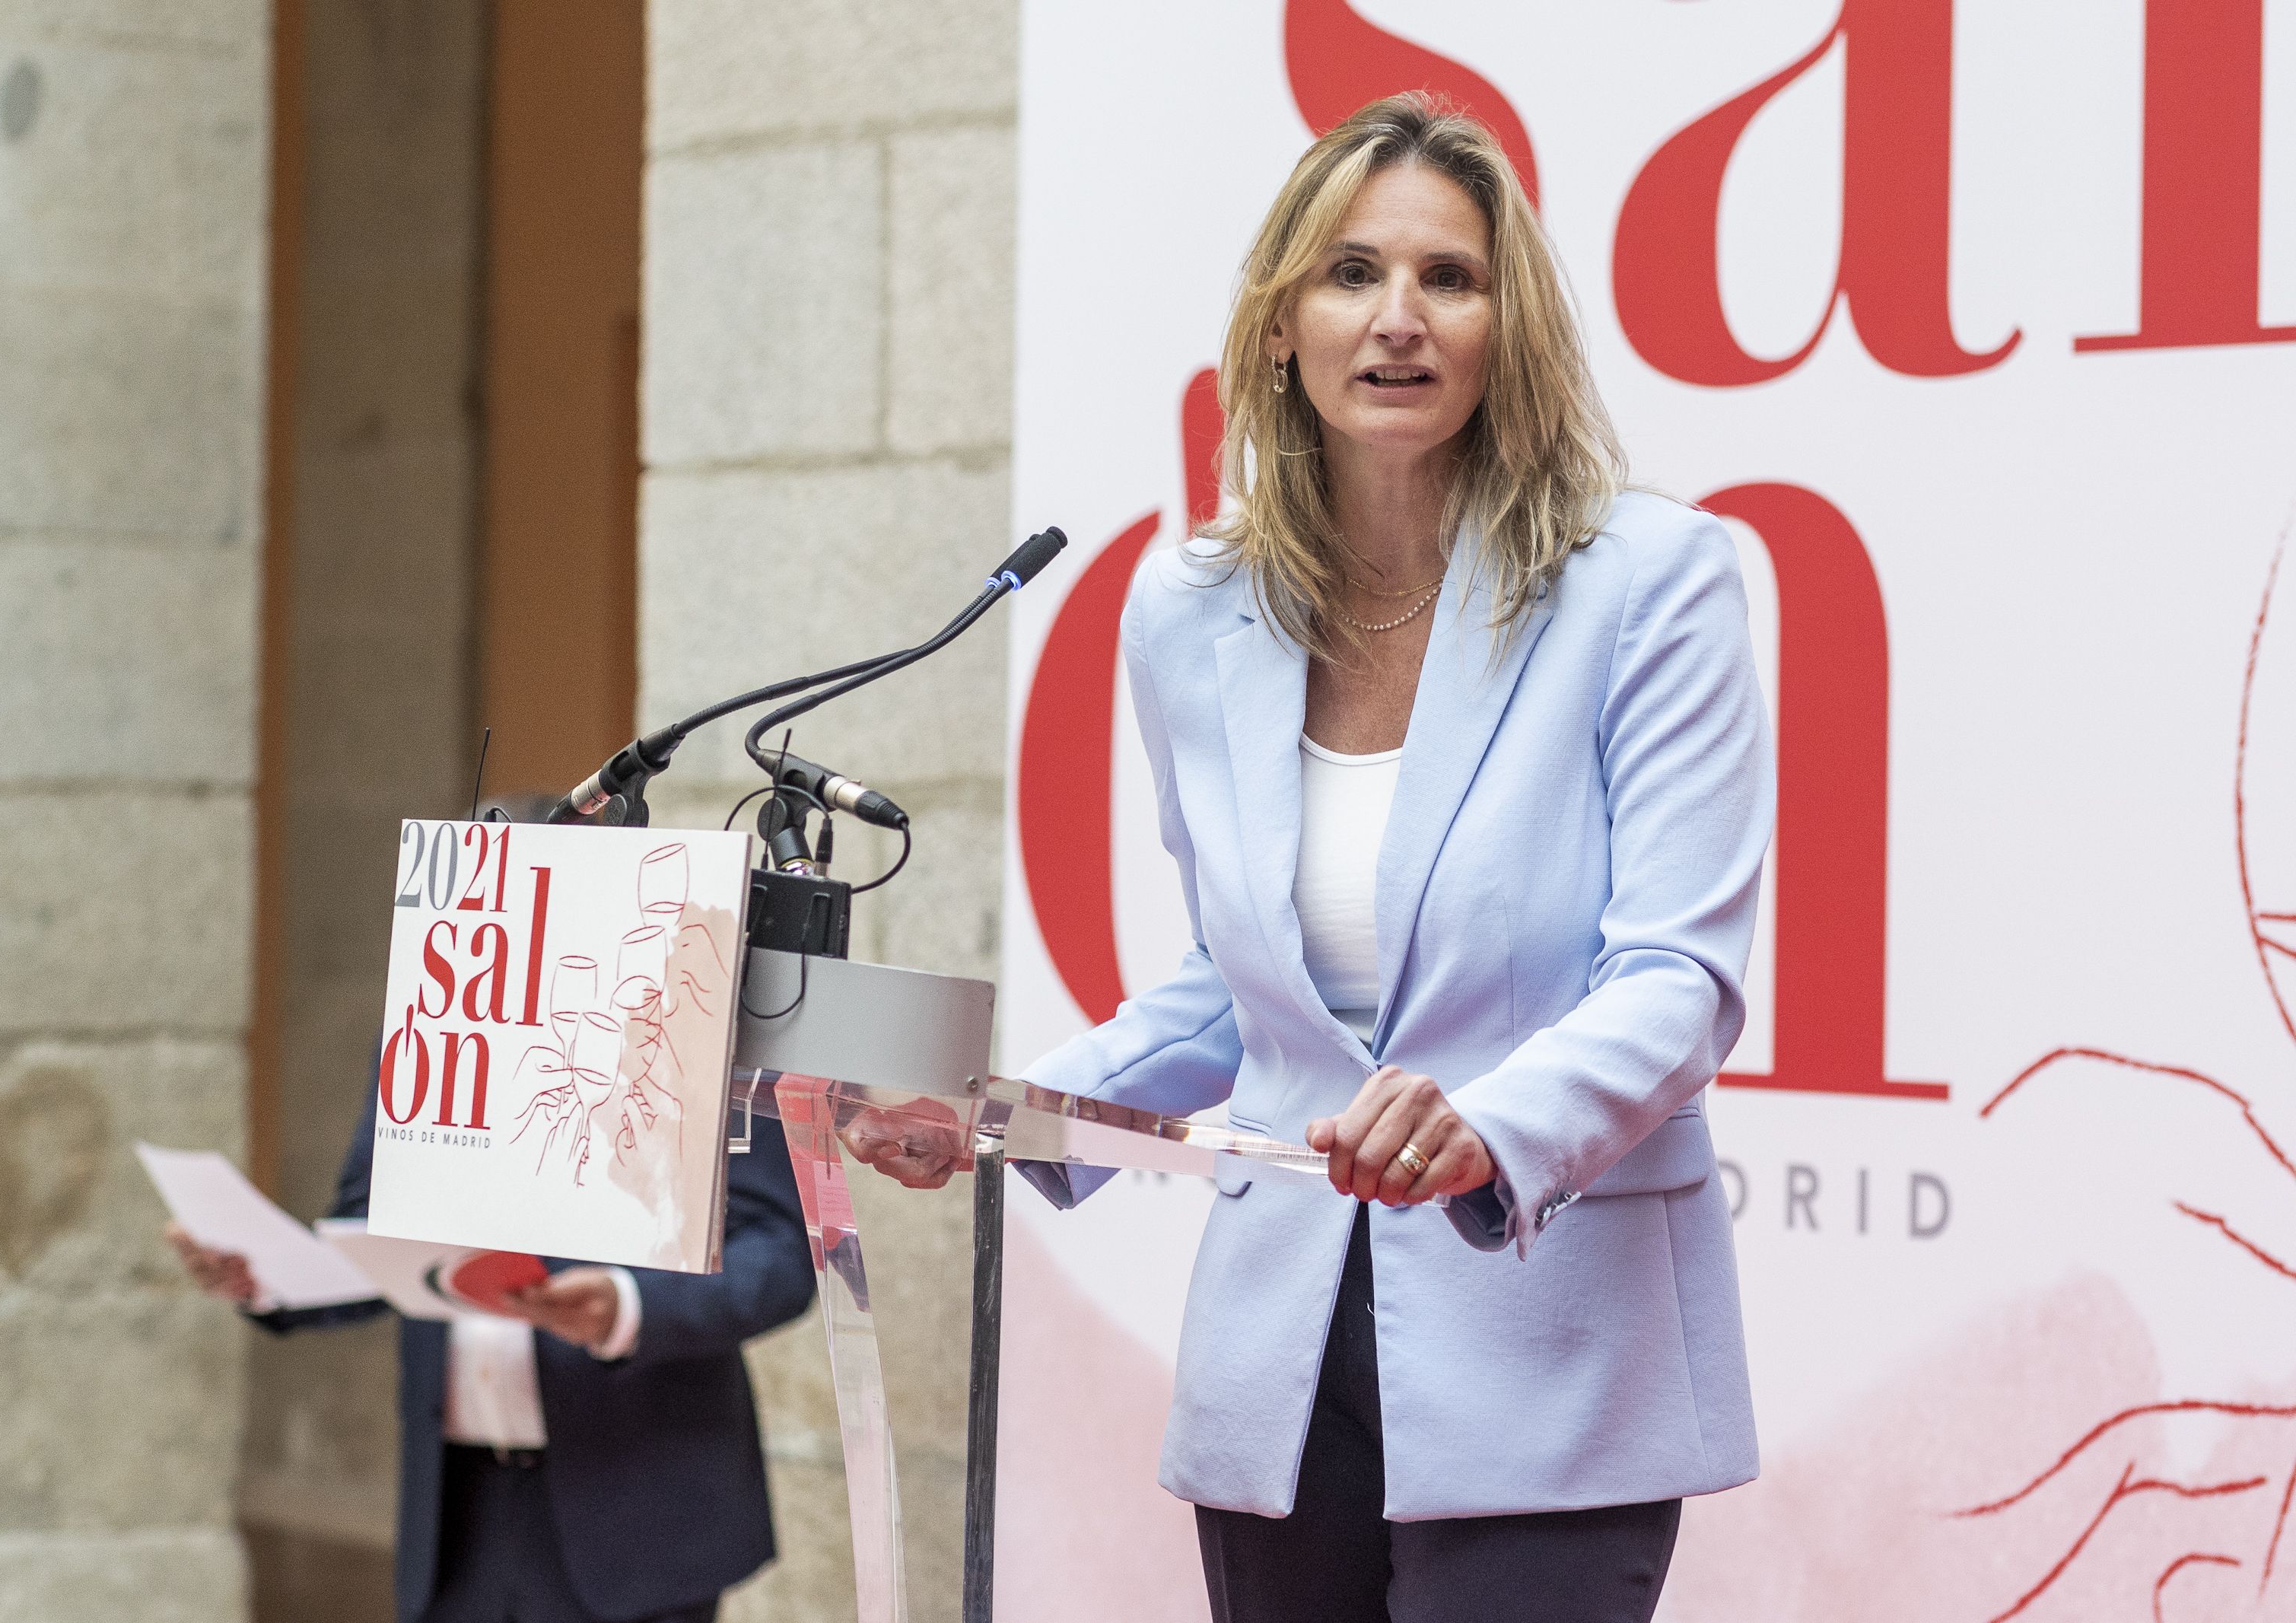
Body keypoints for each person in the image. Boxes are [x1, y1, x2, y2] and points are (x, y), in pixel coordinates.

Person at [855, 93, 1771, 1621]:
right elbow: (1237, 990)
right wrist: (1007, 1116)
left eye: (1448, 279)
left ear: (1505, 326)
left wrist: (1484, 1121)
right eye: (1349, 273)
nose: (1396, 319)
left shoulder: (1651, 582)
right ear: (1280, 324)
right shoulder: (1189, 612)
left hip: (1551, 1351)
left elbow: (1680, 979)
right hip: (1282, 1362)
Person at [170, 1069, 816, 1623]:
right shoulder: (434, 989)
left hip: (638, 1505)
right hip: (456, 1520)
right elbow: (374, 1230)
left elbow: (779, 1253)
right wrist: (268, 1273)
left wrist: (629, 1306)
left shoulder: (690, 982)